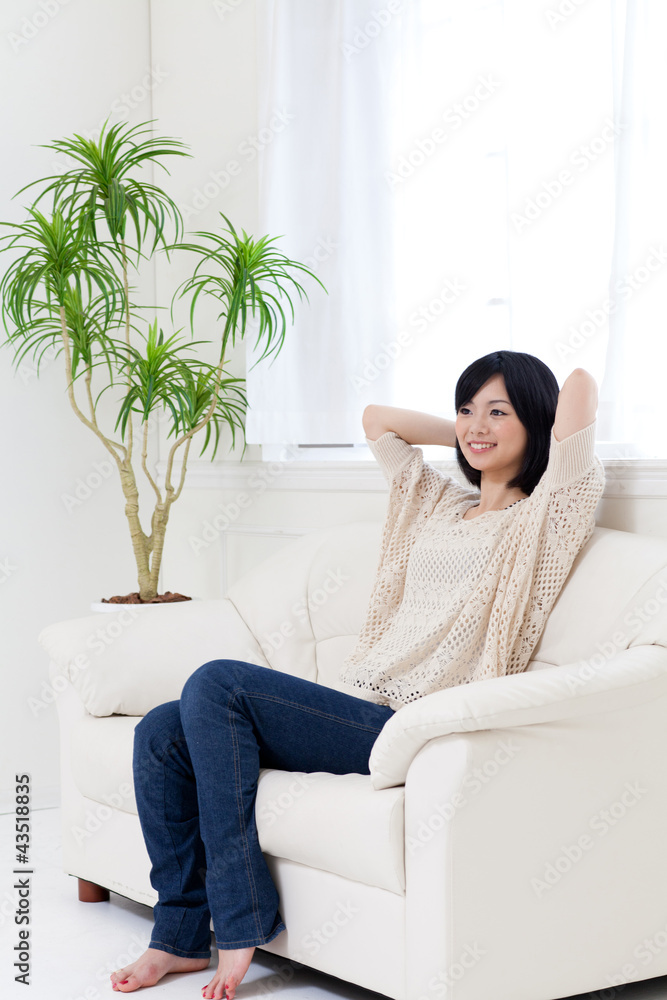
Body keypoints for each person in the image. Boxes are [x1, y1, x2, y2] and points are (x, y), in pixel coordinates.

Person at [110, 351, 605, 998]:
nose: (475, 425)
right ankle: (176, 937)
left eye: (497, 412)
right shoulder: (434, 503)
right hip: (358, 705)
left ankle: (238, 923)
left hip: (411, 726)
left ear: (534, 424)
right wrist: (467, 429)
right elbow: (377, 421)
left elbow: (577, 389)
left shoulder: (545, 515)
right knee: (160, 731)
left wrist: (519, 418)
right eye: (465, 409)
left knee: (217, 681)